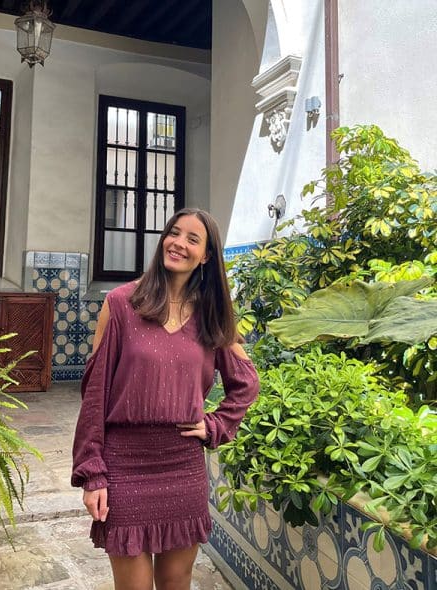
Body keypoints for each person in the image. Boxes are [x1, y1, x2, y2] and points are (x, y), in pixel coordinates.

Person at [71, 208, 260, 590]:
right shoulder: (123, 304)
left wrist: (217, 425)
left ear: (206, 256)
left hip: (181, 465)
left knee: (176, 582)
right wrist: (93, 473)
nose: (179, 244)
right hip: (124, 464)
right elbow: (94, 395)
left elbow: (246, 382)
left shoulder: (212, 315)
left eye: (193, 239)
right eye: (174, 233)